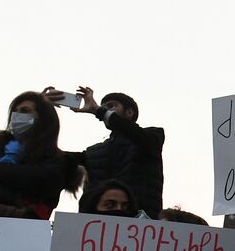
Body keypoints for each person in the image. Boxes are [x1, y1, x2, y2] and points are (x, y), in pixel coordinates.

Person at [0, 91, 81, 219]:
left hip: (19, 230)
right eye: (15, 111)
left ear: (43, 119)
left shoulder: (58, 160)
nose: (17, 115)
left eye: (25, 111)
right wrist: (14, 196)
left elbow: (38, 181)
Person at [44, 86, 166, 218]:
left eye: (111, 106)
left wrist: (98, 110)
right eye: (104, 107)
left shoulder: (153, 136)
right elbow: (51, 155)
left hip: (139, 226)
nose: (105, 110)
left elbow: (139, 136)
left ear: (129, 112)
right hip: (97, 227)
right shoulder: (93, 152)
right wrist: (41, 109)